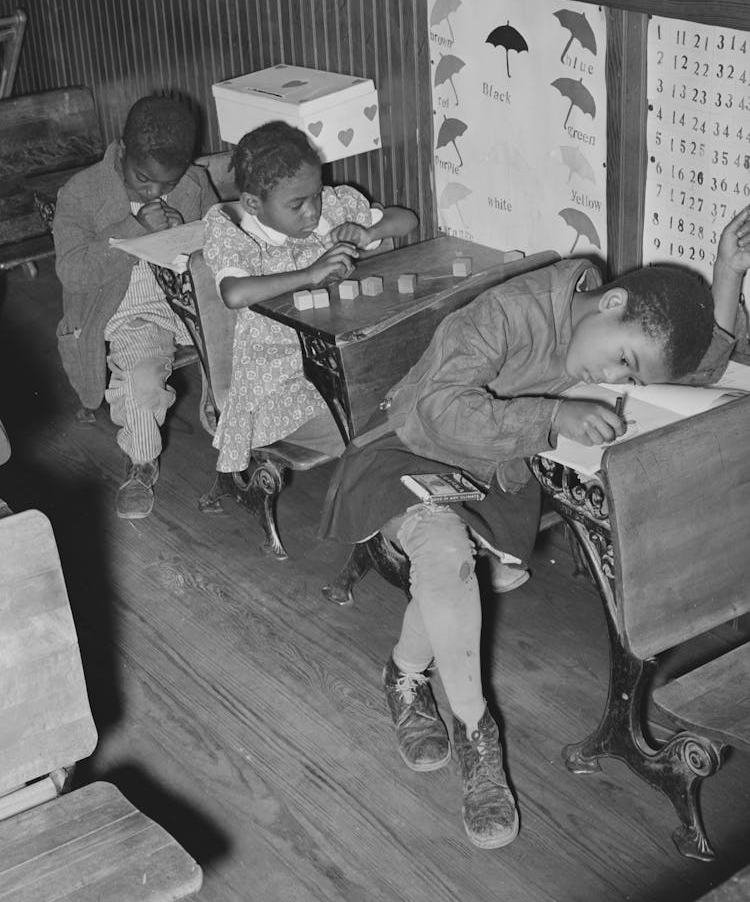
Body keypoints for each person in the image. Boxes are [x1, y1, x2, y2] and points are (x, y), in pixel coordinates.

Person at [319, 205, 750, 851]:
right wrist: (554, 415)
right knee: (445, 553)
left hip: (492, 471)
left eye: (629, 378)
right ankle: (477, 735)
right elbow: (437, 410)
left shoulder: (605, 326)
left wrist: (728, 272)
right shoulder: (507, 313)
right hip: (408, 446)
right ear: (612, 304)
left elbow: (703, 371)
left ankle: (405, 674)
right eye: (623, 360)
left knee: (451, 565)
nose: (613, 380)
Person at [202, 120, 418, 473]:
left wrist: (369, 231)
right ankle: (389, 507)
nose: (313, 210)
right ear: (253, 203)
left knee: (412, 397)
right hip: (283, 388)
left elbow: (406, 220)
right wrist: (308, 274)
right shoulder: (233, 232)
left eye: (316, 194)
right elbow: (235, 292)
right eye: (297, 204)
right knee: (373, 426)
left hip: (349, 364)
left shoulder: (333, 208)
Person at [53, 95, 218, 519]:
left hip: (188, 305)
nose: (155, 192)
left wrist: (191, 239)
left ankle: (246, 443)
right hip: (127, 314)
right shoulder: (82, 193)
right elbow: (72, 271)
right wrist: (135, 231)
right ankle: (142, 463)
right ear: (121, 150)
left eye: (168, 183)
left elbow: (218, 244)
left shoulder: (192, 183)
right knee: (143, 381)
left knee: (255, 337)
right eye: (144, 179)